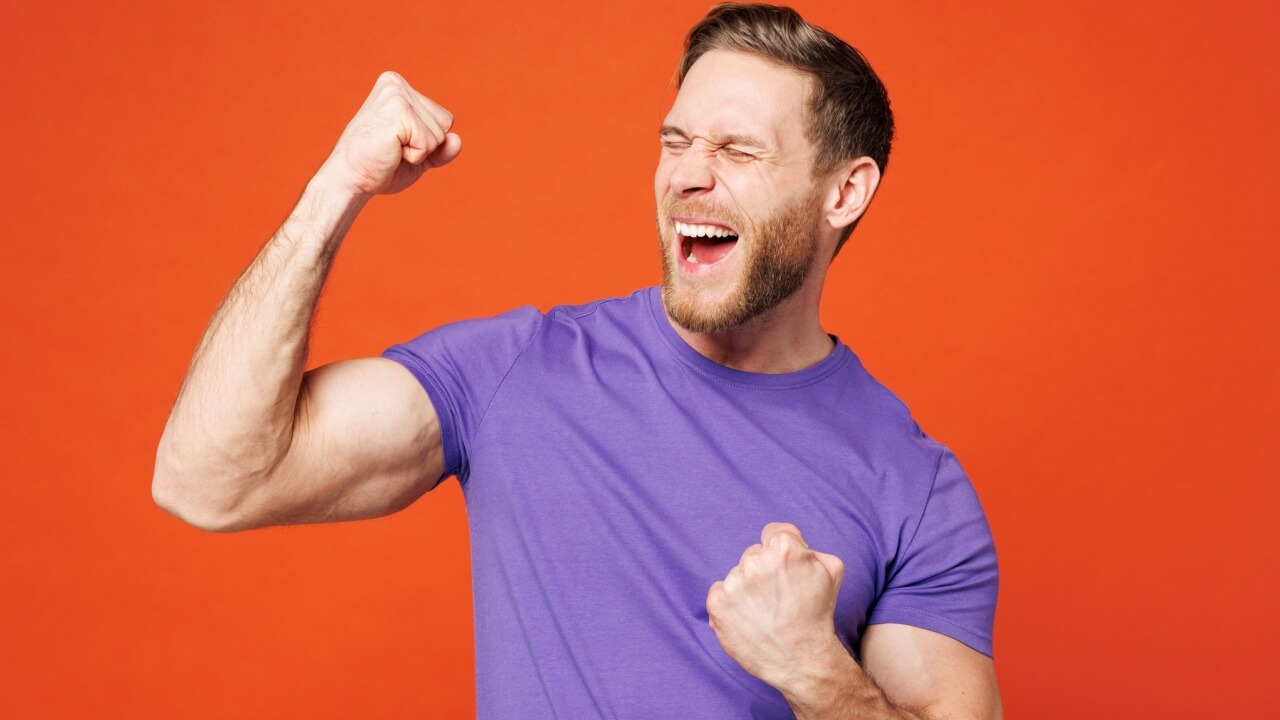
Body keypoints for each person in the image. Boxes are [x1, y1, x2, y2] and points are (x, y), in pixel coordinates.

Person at [152, 3, 1001, 718]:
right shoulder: (522, 372)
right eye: (676, 142)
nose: (687, 179)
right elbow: (212, 481)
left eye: (737, 151)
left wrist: (815, 673)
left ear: (843, 193)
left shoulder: (915, 487)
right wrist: (337, 185)